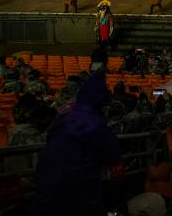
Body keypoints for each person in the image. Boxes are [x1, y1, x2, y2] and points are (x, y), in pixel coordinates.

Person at [34, 72, 122, 215]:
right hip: (76, 194)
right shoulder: (94, 122)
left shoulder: (63, 117)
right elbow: (112, 155)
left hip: (45, 189)